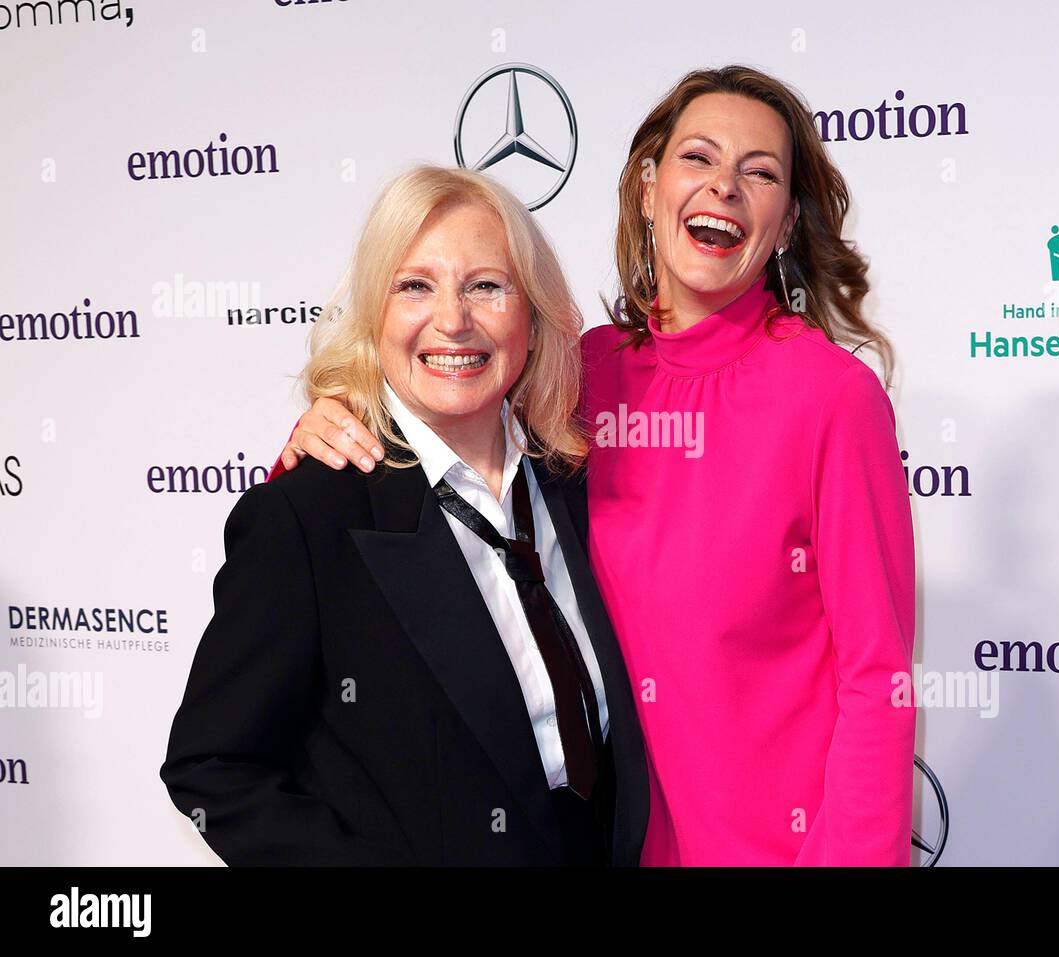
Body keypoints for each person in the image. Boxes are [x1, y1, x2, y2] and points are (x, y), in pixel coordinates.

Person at [271, 65, 917, 866]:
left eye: (760, 173)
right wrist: (321, 435)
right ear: (648, 190)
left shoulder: (832, 398)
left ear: (785, 223)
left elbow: (876, 680)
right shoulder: (582, 375)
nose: (724, 188)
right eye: (699, 159)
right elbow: (438, 455)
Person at [160, 165, 649, 866]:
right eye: (415, 285)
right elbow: (211, 765)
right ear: (374, 317)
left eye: (486, 285)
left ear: (533, 317)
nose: (452, 319)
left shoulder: (573, 478)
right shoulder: (308, 516)